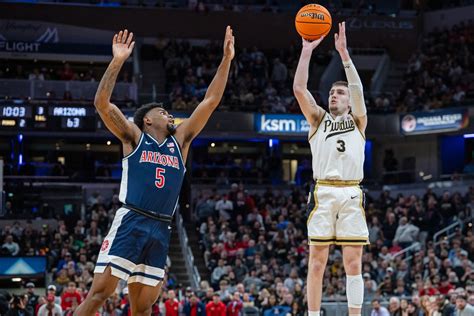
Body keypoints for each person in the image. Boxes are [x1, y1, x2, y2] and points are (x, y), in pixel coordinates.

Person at [75, 26, 235, 316]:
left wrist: (226, 59)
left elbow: (210, 101)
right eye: (163, 112)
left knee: (143, 308)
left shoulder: (181, 141)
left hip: (162, 227)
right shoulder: (134, 137)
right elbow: (101, 104)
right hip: (131, 220)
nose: (169, 115)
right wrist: (118, 60)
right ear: (147, 120)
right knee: (99, 294)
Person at [293, 22, 369, 316]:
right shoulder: (318, 120)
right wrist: (306, 51)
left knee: (353, 264)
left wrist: (345, 56)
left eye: (340, 93)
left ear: (349, 102)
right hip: (323, 191)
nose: (333, 96)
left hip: (351, 193)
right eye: (332, 93)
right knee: (316, 263)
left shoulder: (359, 121)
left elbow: (359, 90)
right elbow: (299, 88)